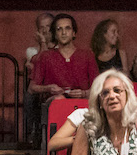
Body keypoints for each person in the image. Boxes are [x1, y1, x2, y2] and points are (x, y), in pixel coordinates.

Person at [25, 14, 98, 146]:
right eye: (59, 29)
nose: (64, 33)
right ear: (55, 34)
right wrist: (49, 88)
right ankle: (55, 146)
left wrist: (84, 93)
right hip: (55, 101)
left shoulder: (87, 55)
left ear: (74, 33)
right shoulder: (46, 56)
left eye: (67, 28)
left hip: (82, 102)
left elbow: (97, 86)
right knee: (60, 100)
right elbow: (32, 87)